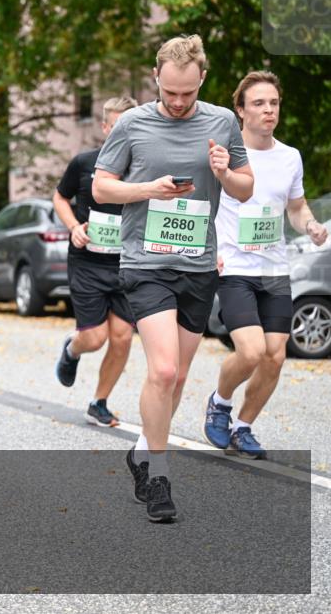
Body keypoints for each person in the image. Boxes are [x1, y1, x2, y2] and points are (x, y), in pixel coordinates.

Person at [93, 34, 253, 522]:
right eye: (169, 92)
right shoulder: (134, 124)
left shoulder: (222, 122)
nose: (178, 102)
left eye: (188, 92)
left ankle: (143, 450)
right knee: (163, 370)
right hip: (146, 264)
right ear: (155, 78)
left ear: (202, 78)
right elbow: (101, 188)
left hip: (198, 266)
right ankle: (158, 475)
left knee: (179, 375)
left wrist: (225, 173)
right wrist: (149, 190)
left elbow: (245, 190)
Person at [204, 71, 328, 459]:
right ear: (240, 110)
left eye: (273, 103)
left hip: (274, 268)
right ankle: (220, 402)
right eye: (258, 103)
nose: (268, 110)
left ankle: (243, 427)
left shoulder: (290, 157)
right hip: (234, 267)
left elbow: (296, 207)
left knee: (275, 355)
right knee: (252, 351)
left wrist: (310, 225)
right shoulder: (224, 154)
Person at [53, 96, 138, 425]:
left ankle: (99, 402)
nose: (123, 133)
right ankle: (72, 349)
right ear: (105, 127)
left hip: (126, 264)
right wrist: (74, 227)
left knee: (122, 337)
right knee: (95, 338)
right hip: (88, 262)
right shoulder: (84, 163)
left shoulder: (143, 169)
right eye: (117, 126)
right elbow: (60, 197)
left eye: (129, 126)